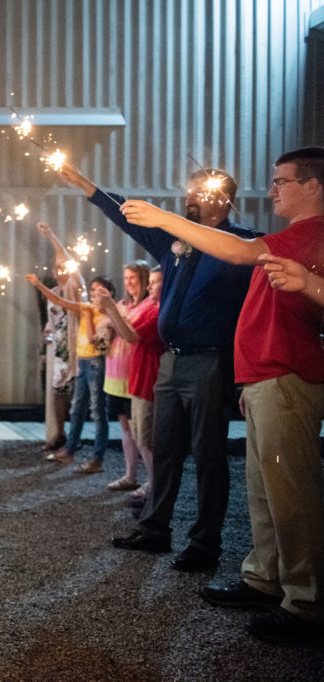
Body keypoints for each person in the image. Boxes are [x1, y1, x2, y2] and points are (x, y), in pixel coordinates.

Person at [121, 146, 324, 645]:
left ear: (314, 185)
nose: (272, 189)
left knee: (292, 495)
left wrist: (164, 217)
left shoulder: (312, 237)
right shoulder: (287, 237)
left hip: (287, 374)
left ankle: (306, 600)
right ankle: (265, 577)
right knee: (265, 490)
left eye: (282, 181)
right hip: (260, 379)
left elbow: (234, 250)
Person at [60, 163, 256, 573]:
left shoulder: (240, 244)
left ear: (222, 197)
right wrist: (85, 184)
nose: (188, 196)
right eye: (189, 189)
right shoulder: (175, 242)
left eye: (198, 191)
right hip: (172, 361)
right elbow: (126, 216)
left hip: (210, 360)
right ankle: (155, 529)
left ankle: (205, 545)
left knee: (207, 454)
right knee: (165, 449)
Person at [26, 272, 114, 473]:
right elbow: (59, 301)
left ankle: (97, 458)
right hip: (82, 363)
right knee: (76, 408)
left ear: (108, 293)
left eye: (99, 291)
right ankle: (69, 449)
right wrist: (39, 285)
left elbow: (93, 339)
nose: (93, 294)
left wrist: (90, 314)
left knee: (98, 411)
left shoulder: (108, 314)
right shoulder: (86, 307)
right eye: (92, 290)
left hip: (96, 364)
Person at [95, 267, 163, 501]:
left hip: (147, 378)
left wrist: (111, 310)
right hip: (134, 377)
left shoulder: (154, 310)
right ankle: (138, 478)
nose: (150, 286)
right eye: (151, 282)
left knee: (145, 437)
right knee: (135, 432)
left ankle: (155, 486)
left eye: (155, 282)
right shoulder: (145, 308)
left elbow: (131, 335)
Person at [35, 222, 83, 451]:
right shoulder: (52, 294)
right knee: (57, 392)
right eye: (56, 269)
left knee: (76, 396)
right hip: (59, 352)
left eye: (62, 268)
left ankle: (75, 438)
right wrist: (46, 345)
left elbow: (64, 258)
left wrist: (51, 235)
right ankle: (60, 435)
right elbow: (50, 324)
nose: (58, 271)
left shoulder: (75, 287)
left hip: (75, 348)